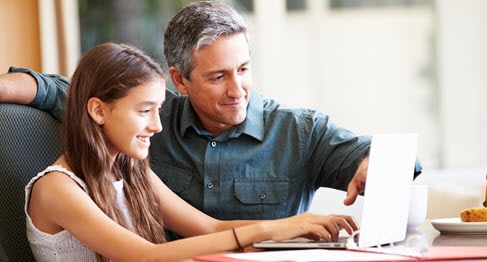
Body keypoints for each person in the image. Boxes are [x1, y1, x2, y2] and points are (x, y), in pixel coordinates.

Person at [2, 1, 421, 237]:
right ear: (180, 81)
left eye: (243, 69)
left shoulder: (300, 131)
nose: (237, 89)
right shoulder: (145, 119)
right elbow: (57, 89)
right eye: (218, 76)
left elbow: (388, 159)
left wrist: (375, 163)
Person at [25, 42, 358, 261]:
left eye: (158, 110)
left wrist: (300, 231)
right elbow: (146, 256)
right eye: (144, 111)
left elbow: (211, 229)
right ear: (98, 111)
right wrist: (271, 230)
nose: (157, 125)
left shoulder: (131, 171)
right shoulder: (57, 188)